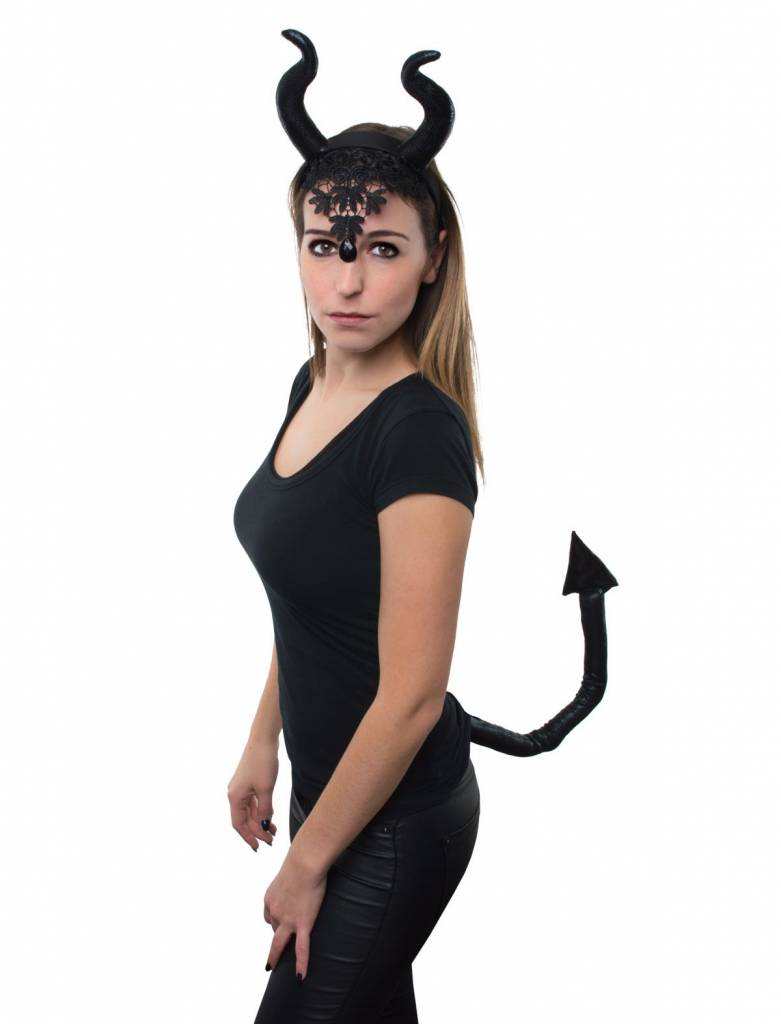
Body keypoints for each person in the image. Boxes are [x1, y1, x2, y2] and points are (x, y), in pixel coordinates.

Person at [229, 29, 619, 1023]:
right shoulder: (311, 385)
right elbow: (310, 600)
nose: (348, 283)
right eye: (326, 247)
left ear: (433, 257)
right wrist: (263, 740)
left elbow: (409, 697)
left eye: (382, 250)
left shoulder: (418, 434)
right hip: (330, 789)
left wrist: (307, 863)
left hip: (397, 816)